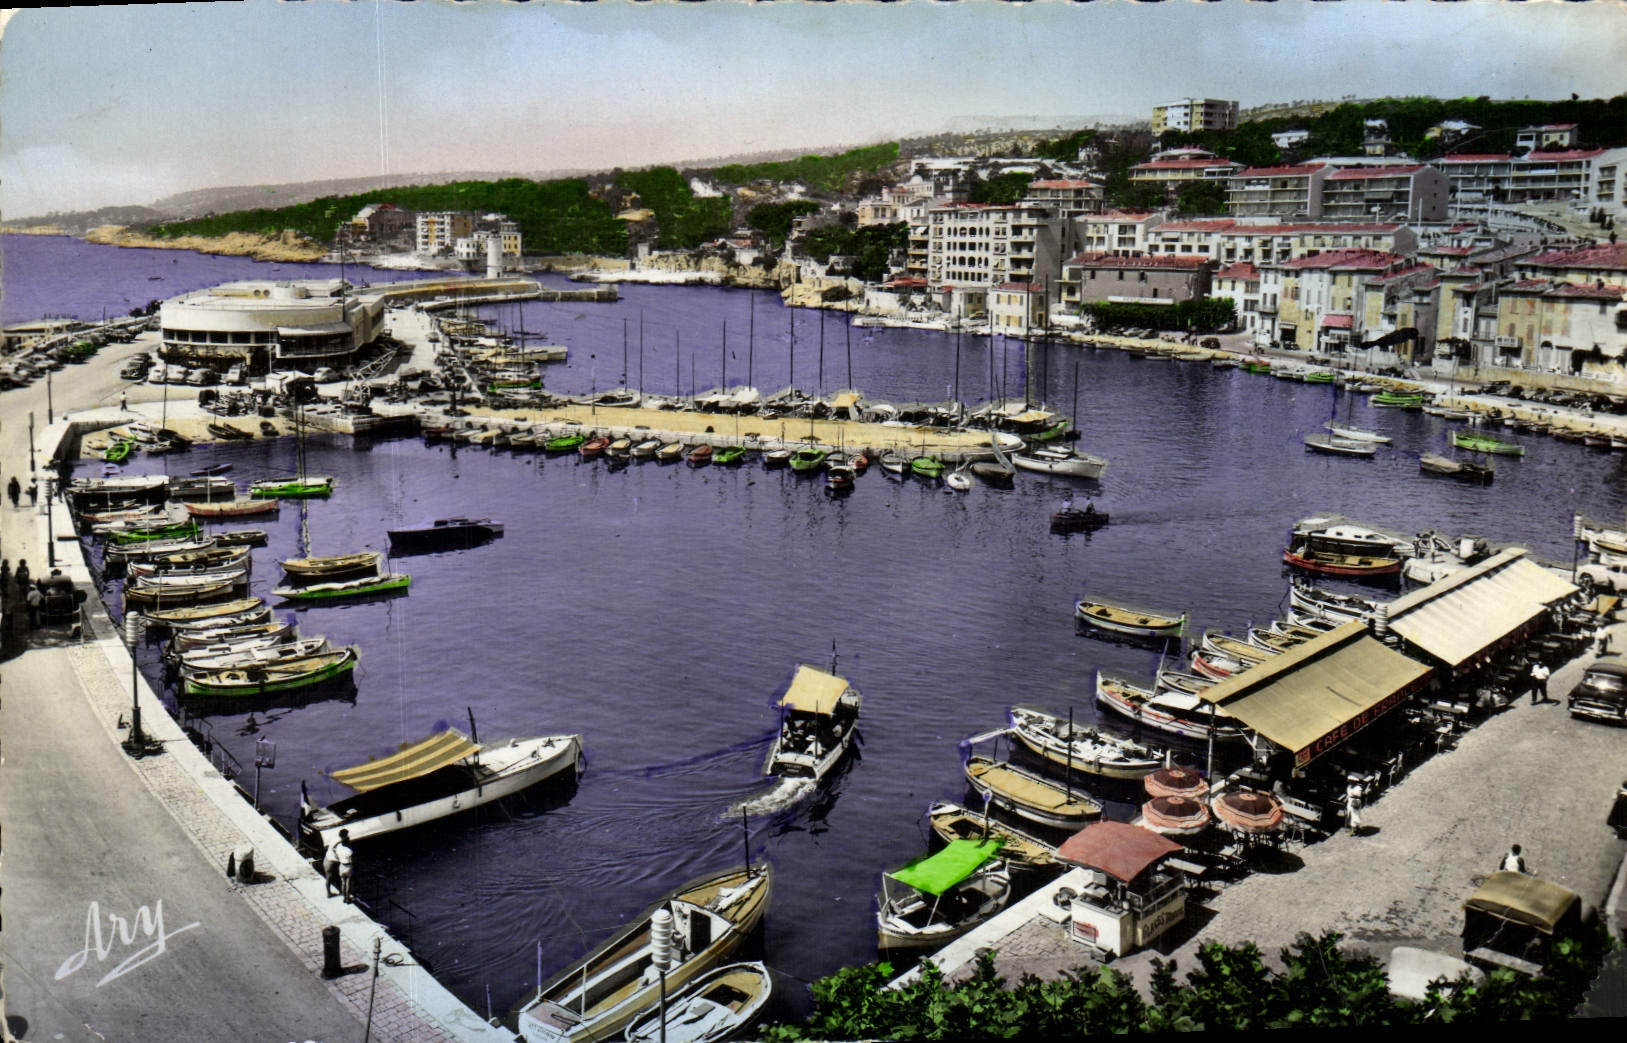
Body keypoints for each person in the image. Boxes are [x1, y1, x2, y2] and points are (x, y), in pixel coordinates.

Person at [334, 829, 355, 903]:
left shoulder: (338, 847)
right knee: (348, 883)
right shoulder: (349, 850)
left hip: (341, 866)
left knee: (343, 882)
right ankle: (347, 898)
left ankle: (344, 897)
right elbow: (352, 859)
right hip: (348, 866)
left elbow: (334, 849)